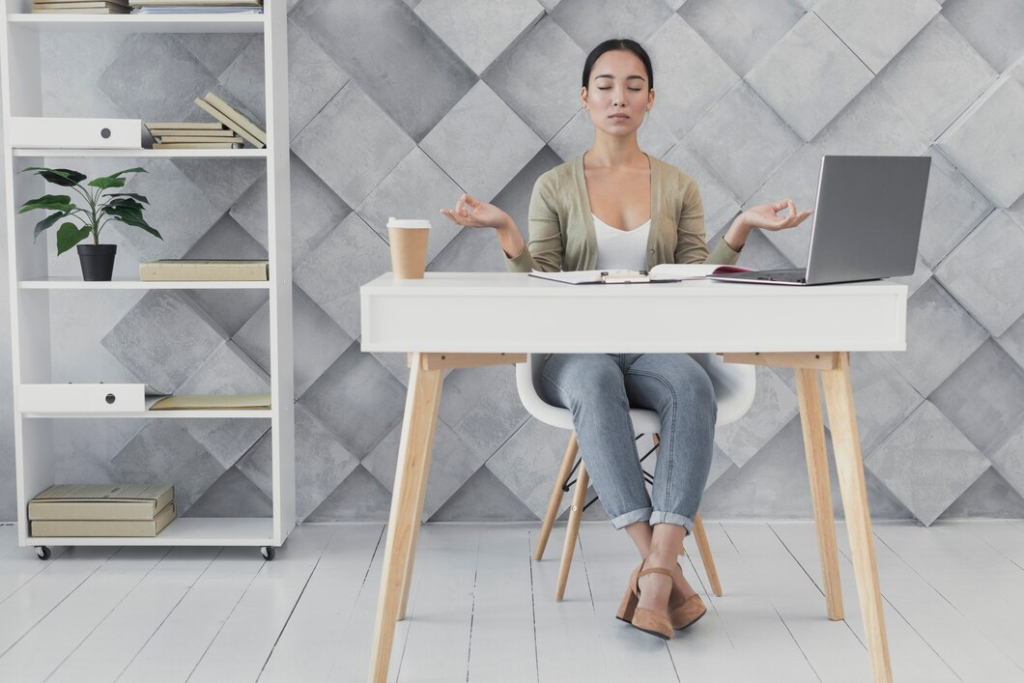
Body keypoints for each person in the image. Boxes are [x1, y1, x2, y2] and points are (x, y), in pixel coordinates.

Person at [440, 38, 812, 640]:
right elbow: (542, 284)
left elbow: (696, 276)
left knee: (691, 384)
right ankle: (663, 570)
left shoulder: (679, 186)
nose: (619, 97)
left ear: (651, 100)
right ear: (585, 98)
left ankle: (656, 572)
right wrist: (507, 231)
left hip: (649, 346)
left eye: (633, 85)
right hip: (573, 350)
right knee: (594, 380)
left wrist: (741, 227)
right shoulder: (554, 186)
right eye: (606, 85)